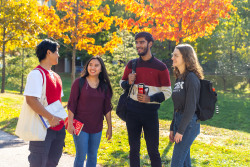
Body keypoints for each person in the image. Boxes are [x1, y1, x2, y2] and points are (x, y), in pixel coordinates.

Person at [120, 32, 172, 167]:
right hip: (132, 111)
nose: (138, 45)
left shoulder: (161, 67)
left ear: (150, 44)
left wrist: (150, 98)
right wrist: (128, 82)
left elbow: (167, 92)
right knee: (134, 150)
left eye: (141, 42)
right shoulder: (132, 64)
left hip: (150, 113)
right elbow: (122, 83)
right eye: (137, 42)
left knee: (153, 150)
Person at [23, 39, 65, 167]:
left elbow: (58, 101)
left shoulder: (56, 76)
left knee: (52, 164)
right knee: (38, 163)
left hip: (58, 129)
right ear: (48, 52)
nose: (58, 55)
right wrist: (50, 117)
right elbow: (30, 100)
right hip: (42, 129)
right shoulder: (36, 74)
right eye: (56, 51)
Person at [67, 56, 113, 167]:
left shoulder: (104, 86)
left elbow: (107, 108)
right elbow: (72, 104)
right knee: (81, 156)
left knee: (93, 156)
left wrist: (110, 127)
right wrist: (70, 123)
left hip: (97, 126)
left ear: (101, 69)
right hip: (80, 125)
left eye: (96, 65)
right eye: (90, 64)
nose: (92, 67)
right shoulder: (79, 82)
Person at [169, 44, 204, 167]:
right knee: (184, 163)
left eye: (176, 55)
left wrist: (181, 131)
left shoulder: (191, 78)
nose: (172, 58)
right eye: (173, 55)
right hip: (180, 122)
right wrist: (172, 127)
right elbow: (177, 106)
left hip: (188, 125)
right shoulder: (179, 77)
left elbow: (190, 108)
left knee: (176, 163)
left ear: (186, 58)